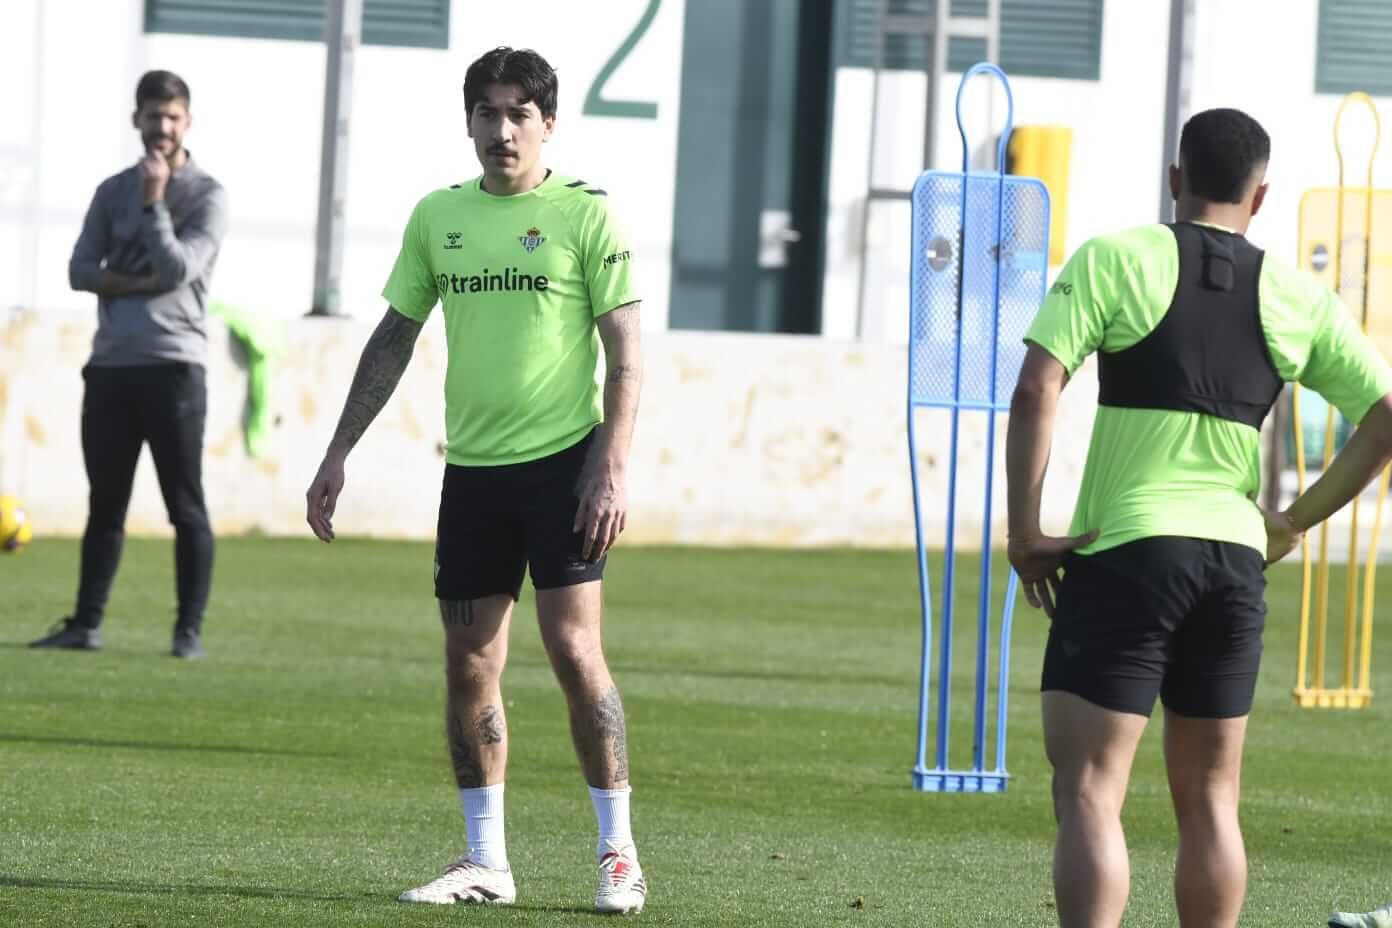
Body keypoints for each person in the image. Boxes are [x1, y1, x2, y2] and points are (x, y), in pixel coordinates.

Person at [1005, 107, 1392, 928]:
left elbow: (1039, 385)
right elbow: (1386, 416)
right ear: (1261, 196)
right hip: (1231, 562)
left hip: (1128, 553)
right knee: (1213, 799)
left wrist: (1026, 531)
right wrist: (1291, 521)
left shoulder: (1117, 256)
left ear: (1175, 180)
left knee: (1088, 792)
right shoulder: (1296, 293)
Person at [304, 47, 646, 913]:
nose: (502, 130)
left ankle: (618, 856)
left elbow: (626, 354)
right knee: (468, 665)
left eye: (518, 114)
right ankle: (485, 860)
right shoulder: (438, 218)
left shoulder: (586, 216)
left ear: (548, 125)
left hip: (564, 469)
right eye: (487, 113)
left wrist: (610, 466)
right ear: (468, 122)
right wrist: (339, 449)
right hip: (475, 475)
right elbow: (394, 337)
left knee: (575, 654)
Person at [31, 70, 227, 660]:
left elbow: (175, 270)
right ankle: (85, 624)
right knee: (105, 504)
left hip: (174, 369)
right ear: (136, 119)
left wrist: (154, 204)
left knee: (185, 505)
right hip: (112, 367)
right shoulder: (109, 189)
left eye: (172, 117)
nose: (161, 127)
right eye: (152, 115)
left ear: (187, 122)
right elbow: (79, 270)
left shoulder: (206, 195)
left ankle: (187, 631)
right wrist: (127, 278)